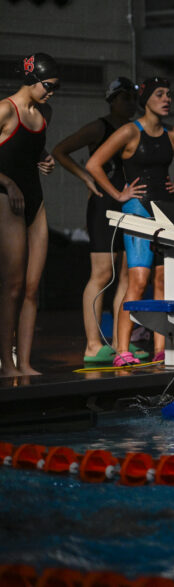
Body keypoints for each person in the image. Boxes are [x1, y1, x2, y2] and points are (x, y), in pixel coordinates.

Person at [86, 77, 174, 368]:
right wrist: (119, 194)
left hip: (165, 212)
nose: (167, 99)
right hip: (138, 213)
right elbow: (94, 164)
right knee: (138, 281)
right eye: (160, 94)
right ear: (146, 100)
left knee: (162, 281)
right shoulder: (130, 131)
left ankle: (160, 348)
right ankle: (122, 349)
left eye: (169, 94)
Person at [52, 77, 137, 363]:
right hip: (103, 205)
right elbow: (60, 151)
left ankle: (120, 342)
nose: (131, 103)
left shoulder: (133, 130)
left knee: (126, 276)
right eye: (125, 98)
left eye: (133, 98)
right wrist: (86, 178)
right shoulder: (99, 127)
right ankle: (92, 344)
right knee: (102, 274)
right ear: (112, 100)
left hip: (129, 206)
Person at [0, 53, 59, 376]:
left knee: (33, 287)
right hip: (7, 198)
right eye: (48, 85)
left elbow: (26, 148)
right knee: (13, 285)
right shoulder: (5, 110)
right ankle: (6, 364)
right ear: (32, 79)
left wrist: (45, 157)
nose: (52, 93)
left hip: (34, 199)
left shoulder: (44, 112)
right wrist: (8, 183)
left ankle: (24, 363)